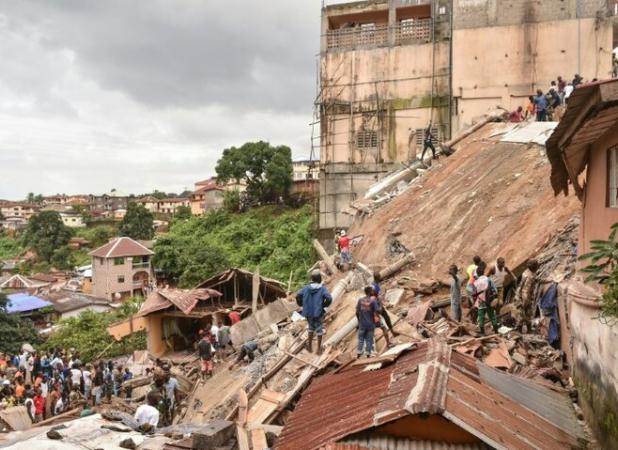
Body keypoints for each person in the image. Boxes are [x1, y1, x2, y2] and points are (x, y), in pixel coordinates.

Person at [296, 270, 333, 354]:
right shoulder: (322, 289)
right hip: (318, 313)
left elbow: (298, 296)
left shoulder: (305, 288)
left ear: (312, 279)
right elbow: (329, 298)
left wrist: (301, 304)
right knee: (319, 329)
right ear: (319, 278)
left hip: (308, 313)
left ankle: (309, 347)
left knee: (311, 327)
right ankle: (318, 349)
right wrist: (324, 305)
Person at [472, 262, 499, 335]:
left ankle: (482, 332)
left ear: (477, 274)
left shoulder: (475, 283)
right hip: (489, 301)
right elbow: (494, 289)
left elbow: (474, 295)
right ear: (484, 272)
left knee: (481, 317)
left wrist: (475, 303)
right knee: (492, 316)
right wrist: (495, 298)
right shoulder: (488, 279)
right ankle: (496, 331)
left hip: (481, 302)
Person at [372, 272, 398, 344]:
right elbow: (379, 298)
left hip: (374, 307)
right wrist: (382, 305)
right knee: (385, 321)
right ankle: (389, 340)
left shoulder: (373, 285)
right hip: (377, 307)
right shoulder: (376, 286)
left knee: (385, 320)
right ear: (378, 278)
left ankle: (392, 332)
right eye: (380, 277)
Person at [515, 258, 539, 333]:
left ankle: (525, 330)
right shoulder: (530, 277)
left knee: (523, 313)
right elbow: (525, 290)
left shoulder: (526, 272)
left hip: (520, 295)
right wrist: (525, 302)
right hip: (524, 297)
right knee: (524, 313)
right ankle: (522, 331)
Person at [356, 286, 379, 358]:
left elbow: (357, 312)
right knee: (369, 340)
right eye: (372, 291)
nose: (373, 292)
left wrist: (359, 321)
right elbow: (377, 311)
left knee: (361, 339)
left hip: (362, 324)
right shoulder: (373, 301)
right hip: (370, 324)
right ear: (369, 292)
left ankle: (358, 354)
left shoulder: (360, 300)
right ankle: (368, 354)